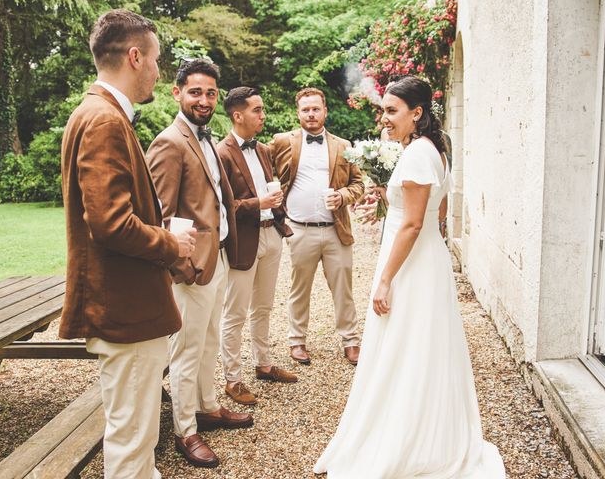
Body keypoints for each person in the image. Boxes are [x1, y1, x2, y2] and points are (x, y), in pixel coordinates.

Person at [313, 76, 506, 478]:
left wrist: (384, 279)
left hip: (412, 264)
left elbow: (415, 224)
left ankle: (408, 439)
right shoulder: (433, 149)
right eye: (383, 110)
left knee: (405, 345)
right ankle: (424, 428)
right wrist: (389, 200)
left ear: (416, 113)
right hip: (424, 260)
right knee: (418, 345)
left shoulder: (418, 153)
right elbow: (433, 210)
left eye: (391, 111)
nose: (384, 119)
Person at [60, 10, 196, 479]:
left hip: (126, 306)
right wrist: (171, 241)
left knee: (135, 437)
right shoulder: (103, 120)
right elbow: (111, 223)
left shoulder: (97, 112)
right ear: (135, 57)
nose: (159, 70)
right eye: (156, 59)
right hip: (127, 309)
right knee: (133, 444)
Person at [145, 59, 252, 469]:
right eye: (195, 92)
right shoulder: (170, 142)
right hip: (192, 266)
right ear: (177, 93)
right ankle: (185, 430)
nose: (204, 100)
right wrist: (183, 267)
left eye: (210, 93)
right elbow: (162, 213)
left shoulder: (206, 138)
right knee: (187, 351)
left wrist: (219, 254)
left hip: (218, 256)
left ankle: (207, 406)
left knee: (208, 342)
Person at [270, 88, 364, 365]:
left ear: (325, 111)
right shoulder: (281, 142)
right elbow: (262, 170)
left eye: (315, 109)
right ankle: (296, 341)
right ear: (297, 113)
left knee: (343, 287)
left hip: (336, 229)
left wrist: (343, 196)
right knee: (299, 287)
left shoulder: (344, 146)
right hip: (299, 229)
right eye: (305, 109)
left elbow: (358, 184)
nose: (311, 114)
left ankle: (351, 340)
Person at [216, 87, 297, 406]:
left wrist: (275, 206)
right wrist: (257, 203)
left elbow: (267, 188)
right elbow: (221, 205)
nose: (263, 116)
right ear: (238, 116)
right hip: (243, 240)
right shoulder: (220, 153)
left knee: (263, 307)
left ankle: (263, 364)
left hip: (271, 236)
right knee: (234, 313)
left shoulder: (263, 149)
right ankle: (233, 380)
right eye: (257, 110)